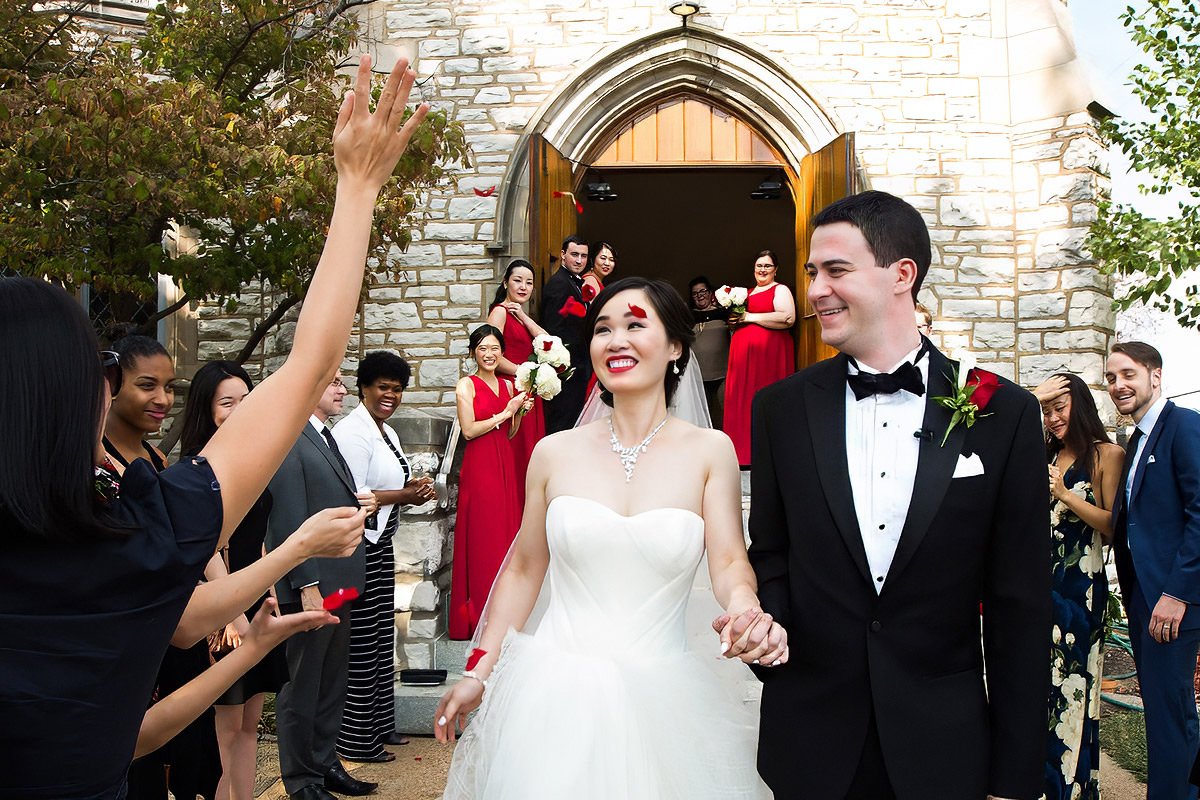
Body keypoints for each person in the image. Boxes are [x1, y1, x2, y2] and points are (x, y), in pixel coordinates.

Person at [0, 53, 427, 800]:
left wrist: (244, 651)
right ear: (81, 399)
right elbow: (308, 366)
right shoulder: (134, 532)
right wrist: (357, 188)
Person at [747, 190, 1050, 799]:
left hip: (945, 748)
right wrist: (769, 639)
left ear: (901, 275)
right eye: (811, 273)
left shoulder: (1002, 412)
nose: (814, 291)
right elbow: (772, 553)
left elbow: (1020, 604)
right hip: (811, 745)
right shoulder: (780, 408)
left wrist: (1015, 778)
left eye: (836, 270)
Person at [434, 277, 783, 798]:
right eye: (602, 329)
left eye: (635, 325)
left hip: (665, 699)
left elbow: (731, 563)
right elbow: (525, 569)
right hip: (552, 701)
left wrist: (746, 609)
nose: (615, 340)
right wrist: (480, 670)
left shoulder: (712, 451)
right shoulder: (554, 452)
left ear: (675, 348)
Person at [267, 373, 382, 799]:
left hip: (342, 577)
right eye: (332, 381)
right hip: (312, 583)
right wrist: (306, 582)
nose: (341, 389)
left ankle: (325, 762)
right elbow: (288, 517)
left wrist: (361, 504)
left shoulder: (324, 435)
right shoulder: (290, 436)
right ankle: (300, 781)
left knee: (332, 683)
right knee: (303, 686)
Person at [177, 361, 287, 800]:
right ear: (206, 409)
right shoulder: (196, 469)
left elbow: (256, 535)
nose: (240, 410)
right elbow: (206, 549)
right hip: (222, 605)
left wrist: (271, 595)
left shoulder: (253, 460)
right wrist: (236, 615)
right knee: (224, 729)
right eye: (228, 402)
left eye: (247, 400)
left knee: (249, 726)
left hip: (254, 597)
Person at [1105, 341, 1200, 800]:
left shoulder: (1184, 427)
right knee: (1164, 711)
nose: (1117, 385)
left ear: (1155, 376)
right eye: (1110, 378)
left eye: (1128, 374)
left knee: (1170, 712)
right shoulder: (1136, 440)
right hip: (1144, 598)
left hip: (1172, 601)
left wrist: (1178, 593)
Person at [332, 351, 435, 763]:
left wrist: (415, 491)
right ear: (364, 388)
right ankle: (356, 740)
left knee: (379, 640)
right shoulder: (353, 432)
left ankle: (379, 725)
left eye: (397, 388)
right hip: (359, 545)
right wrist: (406, 495)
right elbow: (355, 495)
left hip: (381, 541)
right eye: (382, 387)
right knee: (361, 643)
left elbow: (390, 488)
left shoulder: (385, 431)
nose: (390, 395)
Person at [1033, 372, 1123, 799]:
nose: (1052, 418)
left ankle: (1073, 788)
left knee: (1073, 687)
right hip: (1037, 587)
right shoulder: (1042, 456)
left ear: (1081, 405)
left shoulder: (1107, 455)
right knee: (1038, 688)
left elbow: (1112, 526)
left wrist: (1067, 496)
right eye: (1047, 410)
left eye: (1060, 407)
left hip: (1081, 588)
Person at [447, 325, 529, 640]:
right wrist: (505, 413)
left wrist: (518, 412)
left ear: (502, 352)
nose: (489, 354)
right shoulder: (466, 385)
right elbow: (468, 431)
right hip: (480, 467)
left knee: (506, 534)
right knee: (483, 535)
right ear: (473, 353)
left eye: (494, 348)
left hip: (504, 463)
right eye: (482, 348)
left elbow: (510, 433)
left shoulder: (510, 385)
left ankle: (505, 614)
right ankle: (478, 613)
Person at [722, 249, 796, 466]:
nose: (762, 270)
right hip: (743, 361)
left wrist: (749, 317)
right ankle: (742, 455)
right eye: (759, 266)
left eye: (767, 266)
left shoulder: (780, 290)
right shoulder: (747, 293)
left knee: (765, 401)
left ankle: (769, 454)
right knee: (743, 403)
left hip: (767, 359)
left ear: (775, 270)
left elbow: (787, 318)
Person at [486, 260, 547, 492]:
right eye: (517, 280)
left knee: (531, 456)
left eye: (529, 282)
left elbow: (549, 344)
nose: (523, 286)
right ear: (505, 283)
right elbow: (491, 356)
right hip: (512, 390)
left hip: (529, 390)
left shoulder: (520, 315)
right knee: (517, 455)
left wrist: (524, 316)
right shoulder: (499, 312)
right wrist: (523, 372)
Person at [539, 234, 591, 434]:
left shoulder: (574, 282)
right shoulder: (559, 285)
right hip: (567, 373)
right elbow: (555, 331)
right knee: (562, 426)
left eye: (584, 256)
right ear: (563, 255)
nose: (579, 261)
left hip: (577, 370)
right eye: (574, 254)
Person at [102, 332, 175, 474]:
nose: (163, 400)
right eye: (147, 385)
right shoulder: (92, 458)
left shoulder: (158, 458)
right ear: (112, 384)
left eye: (168, 387)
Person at [688, 275, 731, 429]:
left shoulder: (724, 313)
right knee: (701, 415)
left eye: (703, 291)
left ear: (710, 292)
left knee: (723, 412)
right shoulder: (688, 316)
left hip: (722, 374)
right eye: (695, 293)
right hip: (698, 376)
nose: (700, 296)